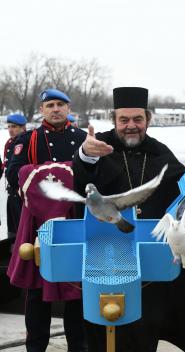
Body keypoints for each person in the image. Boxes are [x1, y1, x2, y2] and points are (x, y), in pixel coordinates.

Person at [72, 87, 185, 352]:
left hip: (155, 263)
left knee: (154, 320)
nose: (131, 126)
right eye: (124, 120)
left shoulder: (160, 151)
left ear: (147, 119)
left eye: (137, 119)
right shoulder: (99, 145)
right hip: (114, 259)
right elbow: (81, 176)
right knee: (116, 331)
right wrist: (86, 155)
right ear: (114, 120)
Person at [7, 88, 88, 352]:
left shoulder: (83, 138)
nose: (55, 109)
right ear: (42, 110)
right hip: (37, 225)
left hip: (74, 222)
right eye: (50, 105)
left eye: (60, 105)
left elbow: (94, 177)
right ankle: (36, 347)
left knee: (76, 289)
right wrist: (62, 172)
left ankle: (79, 346)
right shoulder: (28, 138)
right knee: (37, 291)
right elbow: (14, 174)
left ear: (68, 108)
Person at [2, 114, 27, 238]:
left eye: (15, 127)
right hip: (11, 191)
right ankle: (13, 252)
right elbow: (7, 164)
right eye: (9, 126)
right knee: (12, 227)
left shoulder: (26, 141)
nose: (11, 130)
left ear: (23, 128)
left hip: (22, 191)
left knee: (22, 226)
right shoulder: (9, 143)